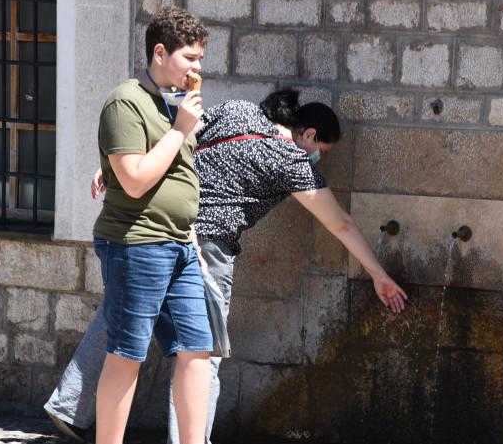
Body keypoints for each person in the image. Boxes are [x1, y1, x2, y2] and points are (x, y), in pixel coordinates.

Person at [45, 89, 408, 444]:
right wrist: (379, 275)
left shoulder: (237, 110)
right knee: (202, 352)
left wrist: (117, 166)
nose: (319, 159)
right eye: (321, 151)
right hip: (208, 245)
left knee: (120, 319)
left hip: (159, 225)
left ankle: (68, 407)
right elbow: (340, 223)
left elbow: (177, 136)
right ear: (308, 134)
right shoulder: (292, 161)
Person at [46, 7, 213, 444]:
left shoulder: (173, 102)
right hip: (138, 244)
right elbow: (136, 181)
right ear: (160, 52)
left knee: (197, 350)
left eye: (200, 59)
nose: (198, 68)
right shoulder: (127, 100)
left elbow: (167, 171)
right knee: (127, 355)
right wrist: (180, 129)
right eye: (190, 58)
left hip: (180, 244)